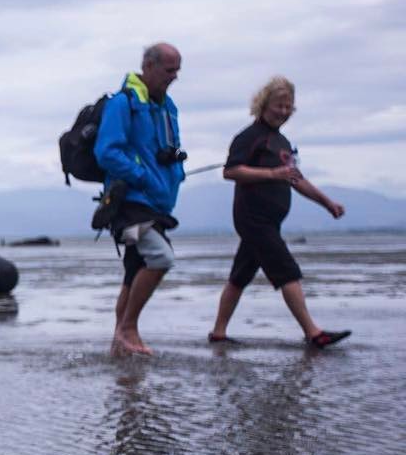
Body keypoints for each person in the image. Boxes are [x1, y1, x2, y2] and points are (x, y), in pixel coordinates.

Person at [208, 76, 349, 349]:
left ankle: (218, 333)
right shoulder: (248, 137)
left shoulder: (282, 142)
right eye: (278, 106)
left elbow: (295, 178)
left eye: (288, 107)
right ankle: (313, 333)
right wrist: (273, 173)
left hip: (270, 220)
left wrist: (327, 203)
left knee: (240, 276)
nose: (284, 112)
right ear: (264, 104)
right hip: (253, 219)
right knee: (287, 272)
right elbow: (231, 171)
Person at [94, 42, 186, 356]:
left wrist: (176, 171)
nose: (173, 77)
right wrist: (142, 176)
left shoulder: (168, 106)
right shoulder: (123, 103)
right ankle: (128, 328)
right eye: (168, 70)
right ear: (147, 66)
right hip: (130, 202)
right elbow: (106, 152)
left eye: (177, 71)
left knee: (134, 271)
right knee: (161, 258)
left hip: (157, 203)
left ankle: (119, 346)